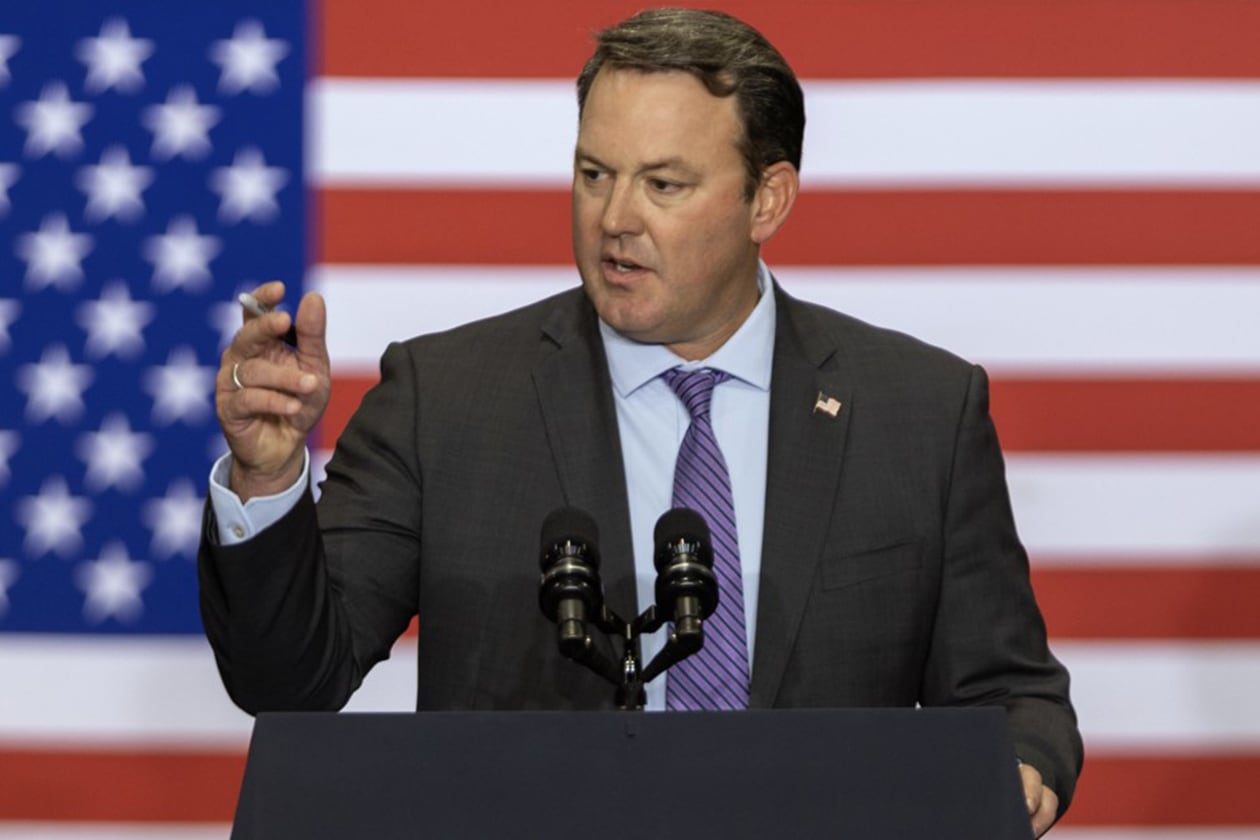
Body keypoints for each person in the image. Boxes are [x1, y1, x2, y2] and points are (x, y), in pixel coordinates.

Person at [201, 8, 1082, 835]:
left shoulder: (918, 411)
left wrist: (1021, 767)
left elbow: (1010, 694)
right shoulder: (445, 396)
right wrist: (270, 480)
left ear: (767, 200)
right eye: (594, 174)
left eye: (664, 184)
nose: (615, 220)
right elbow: (291, 680)